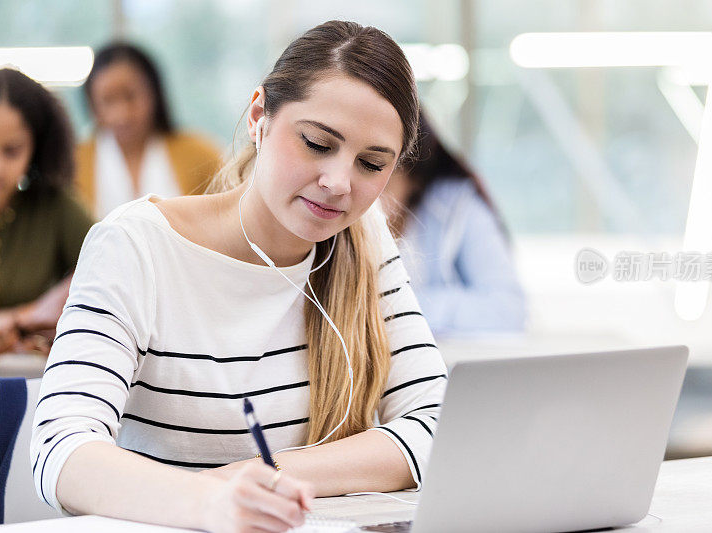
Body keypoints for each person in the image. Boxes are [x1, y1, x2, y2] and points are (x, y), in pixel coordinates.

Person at [32, 21, 447, 533]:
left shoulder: (364, 239)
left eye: (371, 163)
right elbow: (60, 451)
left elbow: (438, 428)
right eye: (318, 143)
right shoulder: (136, 245)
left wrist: (260, 475)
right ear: (259, 117)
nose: (339, 184)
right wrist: (207, 503)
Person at [382, 110, 527, 336]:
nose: (360, 192)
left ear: (414, 179)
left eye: (373, 166)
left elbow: (508, 310)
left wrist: (392, 310)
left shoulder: (458, 208)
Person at [0, 68, 94, 355]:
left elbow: (115, 263)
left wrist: (28, 315)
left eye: (12, 151)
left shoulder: (55, 206)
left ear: (37, 149)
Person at [76, 42, 222, 218]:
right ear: (91, 103)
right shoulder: (74, 163)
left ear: (154, 92)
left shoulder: (201, 155)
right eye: (108, 100)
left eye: (130, 96)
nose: (122, 114)